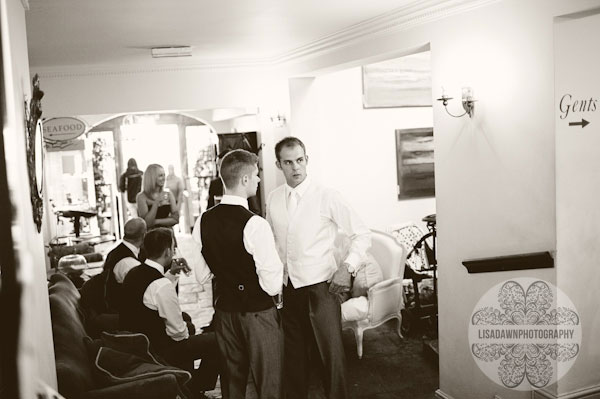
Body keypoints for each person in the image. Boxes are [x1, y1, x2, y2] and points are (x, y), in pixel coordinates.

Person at [266, 136, 371, 399]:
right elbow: (274, 244)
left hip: (322, 289)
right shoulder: (274, 198)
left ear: (307, 160)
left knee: (331, 360)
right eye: (288, 162)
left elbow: (362, 233)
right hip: (288, 291)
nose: (295, 168)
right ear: (278, 165)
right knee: (293, 361)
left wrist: (347, 267)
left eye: (300, 160)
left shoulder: (327, 196)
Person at [192, 149, 284, 398]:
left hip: (224, 313)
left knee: (232, 385)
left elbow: (201, 275)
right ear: (244, 180)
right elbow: (273, 284)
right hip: (258, 314)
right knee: (269, 384)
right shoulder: (255, 224)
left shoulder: (203, 221)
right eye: (255, 175)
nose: (258, 180)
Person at [120, 228, 219, 396]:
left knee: (189, 326)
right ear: (167, 251)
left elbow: (151, 292)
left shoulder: (134, 272)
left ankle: (186, 382)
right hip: (156, 351)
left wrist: (173, 273)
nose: (174, 251)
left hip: (136, 343)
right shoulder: (161, 285)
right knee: (217, 341)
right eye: (173, 248)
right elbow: (178, 333)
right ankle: (197, 387)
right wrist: (190, 338)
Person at [102, 217, 146, 313]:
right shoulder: (128, 263)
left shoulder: (116, 251)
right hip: (123, 312)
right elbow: (147, 291)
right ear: (144, 235)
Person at [207, 149, 261, 214]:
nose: (219, 168)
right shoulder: (214, 184)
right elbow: (209, 206)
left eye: (221, 165)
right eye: (218, 165)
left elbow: (255, 209)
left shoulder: (247, 185)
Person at [137, 164, 178, 231]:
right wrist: (156, 202)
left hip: (167, 234)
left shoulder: (168, 194)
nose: (164, 178)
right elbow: (147, 223)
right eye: (160, 176)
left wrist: (156, 221)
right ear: (152, 178)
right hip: (151, 236)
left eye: (164, 175)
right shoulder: (141, 197)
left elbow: (176, 219)